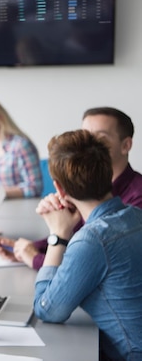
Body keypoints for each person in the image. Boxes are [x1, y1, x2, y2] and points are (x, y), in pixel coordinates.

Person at [32, 129, 142, 360]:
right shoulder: (135, 215)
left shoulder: (92, 240)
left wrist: (59, 235)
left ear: (59, 188)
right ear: (108, 172)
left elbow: (47, 309)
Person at [0, 107, 142, 269]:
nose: (90, 147)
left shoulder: (137, 197)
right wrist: (29, 248)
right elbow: (72, 237)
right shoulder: (86, 186)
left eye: (100, 138)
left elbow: (90, 264)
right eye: (85, 137)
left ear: (126, 145)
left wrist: (36, 258)